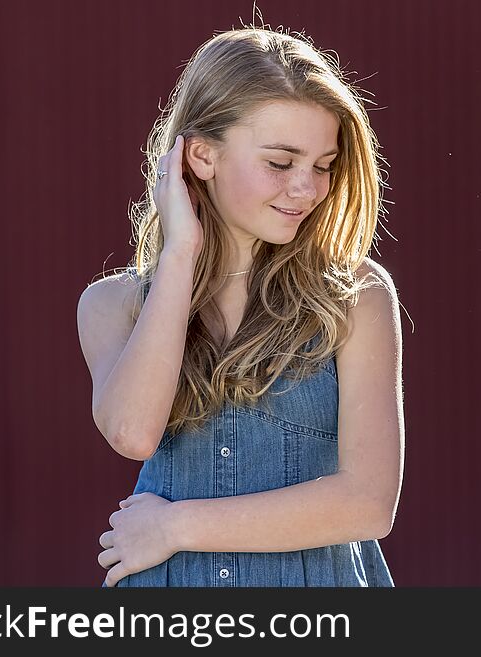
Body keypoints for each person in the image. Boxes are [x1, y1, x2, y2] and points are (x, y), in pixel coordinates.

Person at [76, 25, 404, 587]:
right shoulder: (113, 304)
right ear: (202, 155)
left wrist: (177, 526)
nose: (307, 189)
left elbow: (369, 504)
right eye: (280, 163)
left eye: (323, 165)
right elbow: (133, 434)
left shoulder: (356, 297)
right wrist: (181, 253)